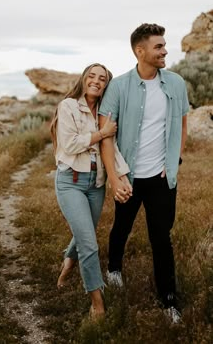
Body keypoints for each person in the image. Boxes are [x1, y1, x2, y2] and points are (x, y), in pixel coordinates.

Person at [99, 23, 189, 324]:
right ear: (141, 51)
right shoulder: (119, 86)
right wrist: (115, 177)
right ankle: (113, 268)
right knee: (122, 226)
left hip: (163, 178)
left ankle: (169, 300)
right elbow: (106, 135)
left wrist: (174, 159)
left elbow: (182, 123)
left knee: (161, 238)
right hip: (129, 175)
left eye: (164, 46)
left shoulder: (175, 83)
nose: (165, 51)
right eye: (159, 47)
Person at [51, 63, 129, 320]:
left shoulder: (105, 112)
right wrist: (101, 133)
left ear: (107, 84)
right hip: (70, 182)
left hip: (96, 185)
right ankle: (98, 304)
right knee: (88, 243)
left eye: (102, 78)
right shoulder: (69, 106)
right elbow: (71, 144)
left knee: (84, 234)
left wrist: (122, 175)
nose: (97, 81)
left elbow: (112, 148)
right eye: (92, 76)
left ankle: (67, 264)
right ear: (84, 79)